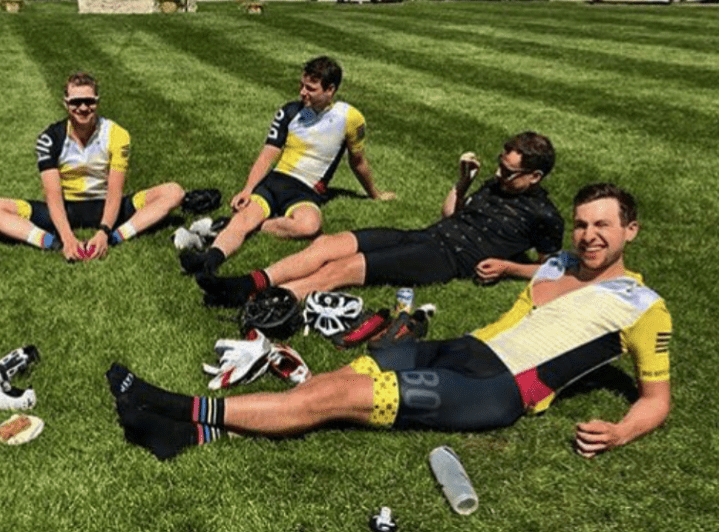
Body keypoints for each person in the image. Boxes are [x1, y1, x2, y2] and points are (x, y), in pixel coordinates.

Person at [109, 183, 672, 460]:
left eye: (603, 225)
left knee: (336, 400)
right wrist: (507, 263)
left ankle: (171, 406)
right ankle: (184, 434)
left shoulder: (643, 308)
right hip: (457, 349)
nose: (589, 235)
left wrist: (621, 431)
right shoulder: (557, 263)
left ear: (632, 231)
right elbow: (539, 274)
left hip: (494, 389)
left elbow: (656, 399)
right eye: (581, 224)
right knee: (331, 383)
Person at [196, 132, 563, 306]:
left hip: (447, 260)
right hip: (427, 237)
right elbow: (451, 214)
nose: (500, 175)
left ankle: (270, 301)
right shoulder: (496, 185)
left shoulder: (545, 215)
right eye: (500, 166)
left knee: (343, 269)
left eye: (510, 172)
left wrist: (507, 268)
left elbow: (554, 270)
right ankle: (251, 282)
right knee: (328, 243)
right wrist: (463, 182)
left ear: (535, 177)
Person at [0, 72, 185, 275]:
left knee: (174, 192)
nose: (83, 107)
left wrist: (104, 233)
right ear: (65, 103)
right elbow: (53, 194)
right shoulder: (49, 138)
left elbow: (114, 190)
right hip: (66, 208)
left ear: (97, 102)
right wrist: (66, 238)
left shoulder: (117, 134)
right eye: (76, 102)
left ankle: (116, 239)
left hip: (108, 205)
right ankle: (50, 242)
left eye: (89, 101)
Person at [179, 56, 395, 277]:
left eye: (310, 88)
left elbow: (358, 162)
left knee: (310, 225)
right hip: (276, 182)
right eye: (301, 85)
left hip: (305, 190)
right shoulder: (290, 112)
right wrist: (248, 189)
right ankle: (209, 260)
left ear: (330, 89)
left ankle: (238, 224)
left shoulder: (350, 118)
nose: (302, 92)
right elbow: (267, 155)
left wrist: (374, 194)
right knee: (245, 217)